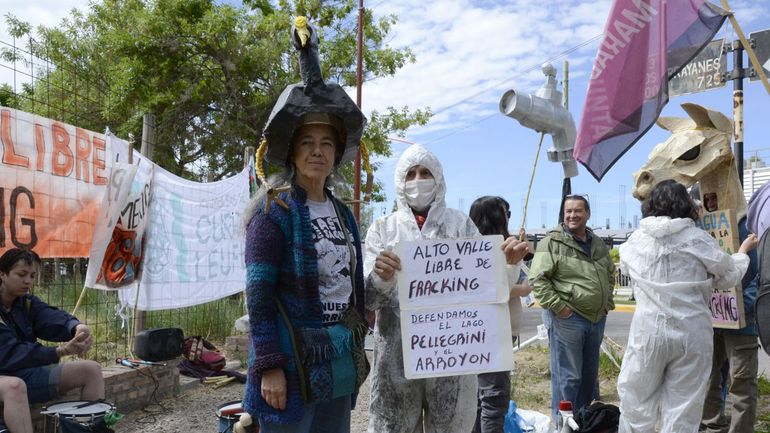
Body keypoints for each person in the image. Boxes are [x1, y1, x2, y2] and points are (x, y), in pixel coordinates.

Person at [241, 18, 368, 433]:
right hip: (291, 364)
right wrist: (269, 365)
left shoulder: (343, 214)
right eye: (307, 143)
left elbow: (350, 285)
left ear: (336, 154)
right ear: (292, 153)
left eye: (327, 143)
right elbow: (259, 296)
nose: (318, 151)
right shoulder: (273, 211)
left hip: (336, 359)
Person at [364, 144, 529, 433]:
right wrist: (381, 277)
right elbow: (368, 298)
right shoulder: (382, 229)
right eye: (411, 174)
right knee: (393, 426)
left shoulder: (460, 224)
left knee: (452, 425)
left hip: (451, 355)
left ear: (438, 178)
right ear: (400, 181)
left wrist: (508, 265)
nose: (418, 180)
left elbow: (486, 286)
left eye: (425, 173)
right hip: (395, 358)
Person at [617, 180, 756, 433]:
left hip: (647, 333)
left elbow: (627, 269)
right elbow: (728, 276)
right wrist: (742, 252)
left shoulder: (635, 242)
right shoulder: (697, 239)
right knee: (683, 408)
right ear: (685, 204)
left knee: (636, 404)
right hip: (691, 334)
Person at [528, 194, 615, 426]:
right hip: (568, 320)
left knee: (588, 378)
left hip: (596, 319)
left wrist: (606, 303)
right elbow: (538, 279)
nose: (572, 215)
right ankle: (562, 425)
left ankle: (584, 423)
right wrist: (560, 308)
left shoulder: (597, 243)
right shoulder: (551, 242)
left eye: (578, 210)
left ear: (588, 214)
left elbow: (609, 273)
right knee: (568, 377)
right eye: (568, 211)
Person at [0, 248, 104, 433]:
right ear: (2, 274)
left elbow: (49, 317)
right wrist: (60, 351)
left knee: (92, 370)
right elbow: (10, 353)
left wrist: (76, 327)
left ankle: (90, 430)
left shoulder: (26, 302)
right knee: (14, 386)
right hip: (6, 377)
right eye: (22, 274)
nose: (28, 281)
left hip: (25, 372)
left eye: (32, 276)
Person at [468, 196, 532, 433]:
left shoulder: (479, 247)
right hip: (493, 332)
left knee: (478, 397)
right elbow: (492, 289)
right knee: (493, 398)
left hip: (492, 332)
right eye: (507, 213)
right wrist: (522, 288)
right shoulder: (487, 249)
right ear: (496, 216)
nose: (508, 218)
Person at [700, 221, 760, 433]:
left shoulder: (751, 225)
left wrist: (743, 305)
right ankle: (713, 426)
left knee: (742, 383)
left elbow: (761, 273)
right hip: (710, 320)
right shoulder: (701, 225)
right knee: (708, 379)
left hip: (742, 323)